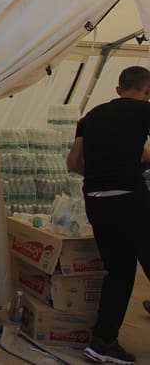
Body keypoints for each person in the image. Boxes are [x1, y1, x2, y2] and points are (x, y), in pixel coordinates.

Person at [66, 65, 150, 365]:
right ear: (147, 91)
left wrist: (102, 175)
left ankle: (103, 342)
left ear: (118, 89)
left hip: (96, 201)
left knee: (120, 272)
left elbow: (73, 162)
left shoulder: (89, 118)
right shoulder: (144, 112)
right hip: (131, 199)